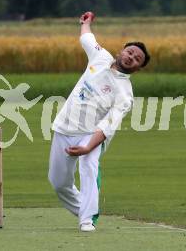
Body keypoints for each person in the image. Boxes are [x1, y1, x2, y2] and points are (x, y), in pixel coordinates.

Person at [48, 12, 150, 232]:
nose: (131, 57)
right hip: (65, 126)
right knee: (58, 182)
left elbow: (107, 126)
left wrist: (87, 147)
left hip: (91, 134)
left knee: (89, 165)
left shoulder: (125, 94)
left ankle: (87, 218)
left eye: (136, 59)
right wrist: (86, 23)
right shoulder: (100, 57)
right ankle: (85, 208)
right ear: (123, 49)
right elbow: (87, 39)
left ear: (137, 68)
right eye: (130, 52)